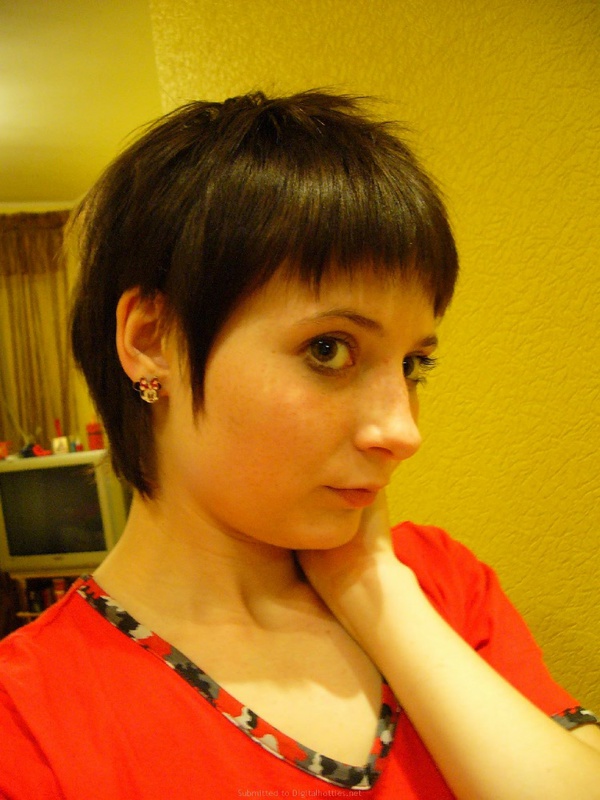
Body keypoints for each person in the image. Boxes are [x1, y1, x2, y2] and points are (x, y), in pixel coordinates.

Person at [0, 91, 598, 800]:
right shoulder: (28, 720)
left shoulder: (439, 584)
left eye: (414, 365)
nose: (403, 432)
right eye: (328, 349)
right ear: (152, 340)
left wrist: (375, 591)